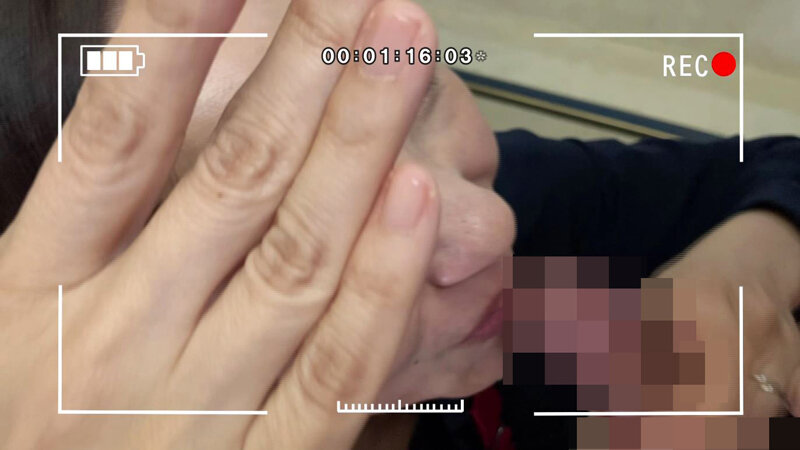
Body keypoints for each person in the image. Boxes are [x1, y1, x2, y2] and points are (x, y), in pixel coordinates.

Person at [1, 0, 799, 449]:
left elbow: (777, 165)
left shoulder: (524, 269)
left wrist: (733, 276)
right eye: (301, 210)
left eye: (418, 93)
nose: (488, 226)